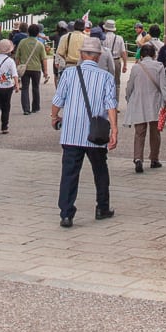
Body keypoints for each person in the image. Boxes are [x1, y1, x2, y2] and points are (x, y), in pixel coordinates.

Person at [50, 34, 117, 226]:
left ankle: (66, 213)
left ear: (81, 54)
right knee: (100, 170)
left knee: (69, 173)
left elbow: (58, 101)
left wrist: (54, 117)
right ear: (97, 56)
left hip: (71, 132)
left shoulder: (69, 74)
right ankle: (102, 207)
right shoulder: (106, 77)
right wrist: (114, 130)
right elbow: (110, 105)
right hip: (95, 133)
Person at [123, 44, 166, 172]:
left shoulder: (136, 68)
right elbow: (163, 86)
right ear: (154, 55)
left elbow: (129, 86)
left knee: (139, 132)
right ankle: (154, 159)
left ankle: (138, 158)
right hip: (154, 102)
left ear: (142, 55)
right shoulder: (159, 66)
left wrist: (128, 98)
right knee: (155, 133)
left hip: (139, 102)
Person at [15, 22, 49, 114]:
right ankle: (35, 107)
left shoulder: (22, 42)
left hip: (25, 68)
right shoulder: (40, 44)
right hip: (36, 69)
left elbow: (17, 56)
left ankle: (26, 109)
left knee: (25, 88)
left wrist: (16, 68)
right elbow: (44, 59)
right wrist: (45, 71)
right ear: (37, 33)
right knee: (36, 88)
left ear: (28, 32)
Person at [100, 19, 128, 96]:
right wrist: (125, 64)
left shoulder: (102, 37)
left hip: (104, 61)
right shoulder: (119, 38)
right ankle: (115, 104)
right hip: (116, 61)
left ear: (105, 28)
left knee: (104, 81)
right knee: (116, 82)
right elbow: (123, 52)